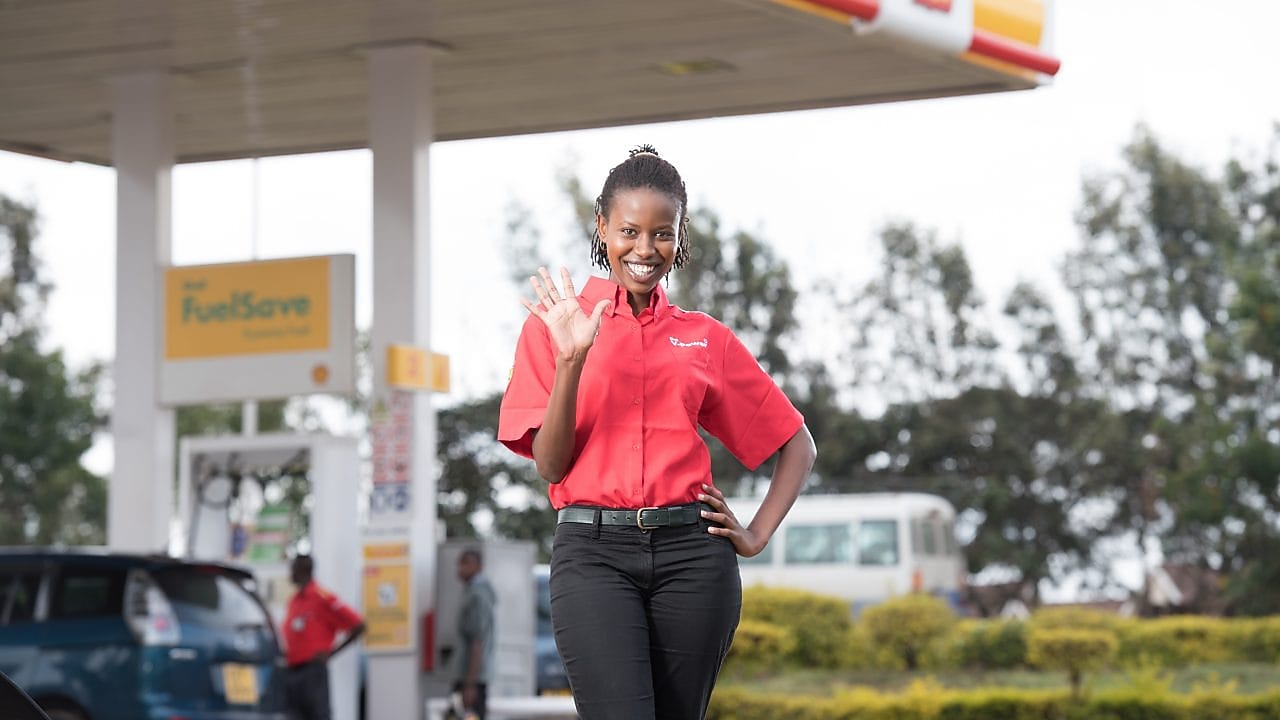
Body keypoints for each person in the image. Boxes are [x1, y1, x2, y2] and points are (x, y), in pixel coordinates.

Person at [498, 145, 817, 719]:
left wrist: (755, 535)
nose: (645, 250)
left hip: (694, 559)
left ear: (678, 235)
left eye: (661, 233)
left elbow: (797, 444)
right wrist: (572, 359)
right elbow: (550, 466)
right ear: (602, 226)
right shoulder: (557, 322)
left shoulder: (703, 337)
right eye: (628, 230)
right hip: (593, 556)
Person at [281, 554, 366, 720]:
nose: (290, 574)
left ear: (303, 570)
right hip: (292, 672)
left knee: (318, 715)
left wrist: (331, 653)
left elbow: (359, 625)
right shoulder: (294, 601)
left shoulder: (321, 597)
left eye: (292, 569)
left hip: (312, 671)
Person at [452, 548, 496, 720]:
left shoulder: (477, 595)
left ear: (478, 566)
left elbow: (477, 641)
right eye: (460, 564)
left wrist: (470, 684)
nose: (460, 569)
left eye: (465, 564)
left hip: (471, 677)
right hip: (471, 676)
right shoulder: (472, 591)